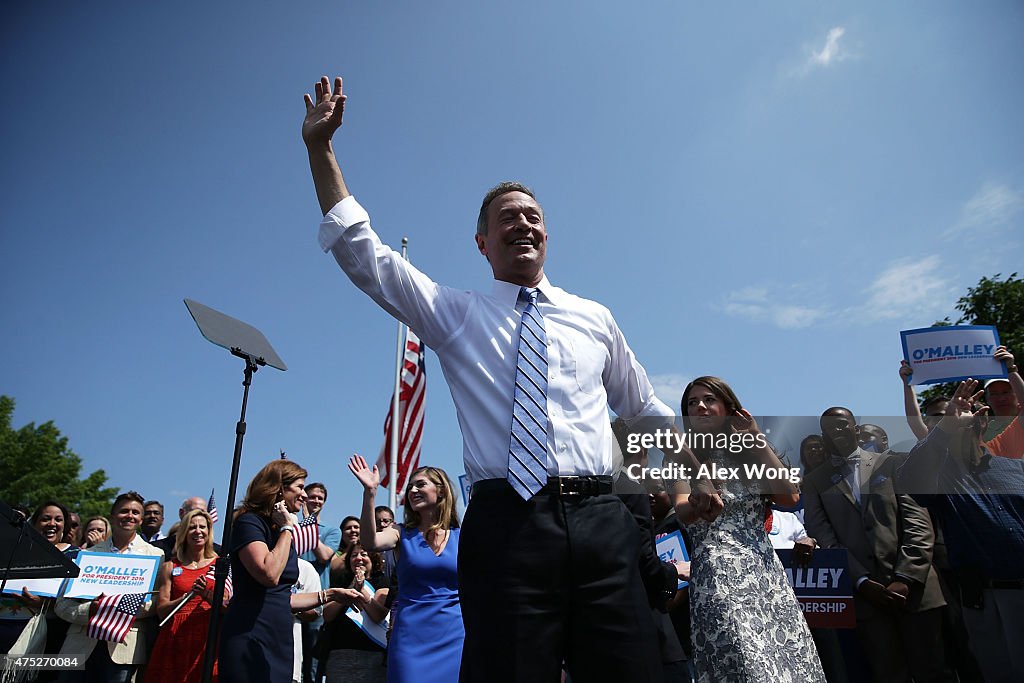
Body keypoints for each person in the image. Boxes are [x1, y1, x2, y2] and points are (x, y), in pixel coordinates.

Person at [302, 75, 719, 682]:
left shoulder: (593, 316)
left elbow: (646, 407)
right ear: (482, 242)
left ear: (547, 234)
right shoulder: (456, 313)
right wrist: (322, 150)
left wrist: (694, 470)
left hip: (604, 525)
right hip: (508, 531)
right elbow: (366, 255)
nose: (523, 224)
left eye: (534, 216)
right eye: (507, 218)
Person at [676, 376, 824, 683]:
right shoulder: (683, 456)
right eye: (692, 403)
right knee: (743, 659)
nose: (700, 406)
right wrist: (699, 500)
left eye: (708, 400)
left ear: (728, 407)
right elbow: (682, 511)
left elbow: (789, 496)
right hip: (718, 572)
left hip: (764, 571)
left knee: (785, 657)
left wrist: (756, 440)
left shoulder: (749, 450)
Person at [803, 407, 953, 683]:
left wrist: (906, 577)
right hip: (866, 601)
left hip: (916, 592)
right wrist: (860, 581)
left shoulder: (895, 463)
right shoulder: (814, 482)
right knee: (888, 674)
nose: (836, 431)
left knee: (935, 671)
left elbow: (917, 523)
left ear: (855, 428)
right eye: (828, 429)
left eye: (841, 424)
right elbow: (824, 537)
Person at [897, 377, 1024, 683]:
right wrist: (946, 426)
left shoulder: (1016, 468)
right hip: (983, 596)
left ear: (982, 425)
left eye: (965, 422)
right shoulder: (941, 479)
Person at [220, 459, 363, 683]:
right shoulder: (250, 523)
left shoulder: (281, 533)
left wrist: (333, 594)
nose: (304, 495)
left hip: (279, 636)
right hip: (250, 632)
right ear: (278, 488)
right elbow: (268, 574)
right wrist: (288, 527)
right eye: (299, 487)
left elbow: (282, 597)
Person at [349, 457, 461, 683]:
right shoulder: (400, 533)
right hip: (411, 636)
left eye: (420, 484)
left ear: (440, 491)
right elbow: (370, 542)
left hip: (454, 635)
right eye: (410, 486)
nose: (413, 490)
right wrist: (370, 493)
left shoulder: (462, 535)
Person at [55, 492, 164, 682]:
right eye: (124, 511)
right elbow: (62, 604)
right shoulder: (86, 554)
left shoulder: (156, 555)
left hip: (123, 648)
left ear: (140, 519)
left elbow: (155, 601)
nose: (129, 515)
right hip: (79, 643)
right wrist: (91, 610)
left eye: (135, 512)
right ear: (112, 516)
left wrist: (116, 609)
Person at [147, 509, 224, 682]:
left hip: (209, 635)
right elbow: (161, 610)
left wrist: (205, 594)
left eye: (202, 527)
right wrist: (185, 598)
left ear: (209, 531)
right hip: (176, 637)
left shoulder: (219, 564)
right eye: (192, 527)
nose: (198, 531)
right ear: (183, 533)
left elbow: (226, 604)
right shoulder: (169, 566)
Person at [322, 542, 389, 683]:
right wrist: (351, 588)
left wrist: (362, 588)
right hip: (340, 655)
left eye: (364, 554)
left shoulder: (382, 583)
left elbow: (378, 616)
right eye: (354, 555)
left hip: (373, 655)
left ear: (373, 559)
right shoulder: (341, 582)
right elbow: (327, 615)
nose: (358, 558)